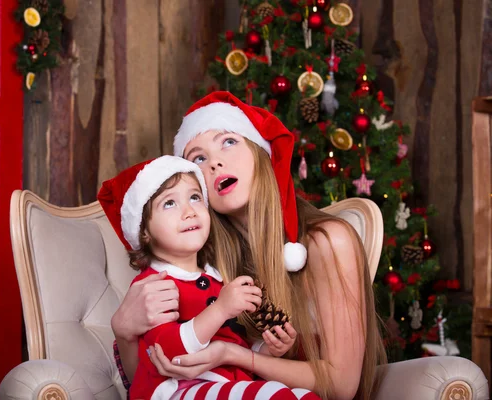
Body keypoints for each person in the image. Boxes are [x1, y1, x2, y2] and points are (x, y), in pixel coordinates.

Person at [111, 92, 387, 400]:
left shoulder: (327, 241)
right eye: (198, 158)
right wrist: (124, 331)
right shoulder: (202, 264)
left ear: (260, 152)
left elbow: (342, 385)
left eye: (228, 141)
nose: (215, 162)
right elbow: (155, 381)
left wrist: (233, 354)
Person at [98, 156, 320, 399]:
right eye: (169, 203)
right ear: (144, 231)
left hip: (225, 383)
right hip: (179, 388)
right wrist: (221, 309)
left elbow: (232, 342)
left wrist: (268, 348)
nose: (189, 211)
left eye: (195, 197)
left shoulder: (216, 278)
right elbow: (168, 352)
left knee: (302, 396)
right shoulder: (154, 284)